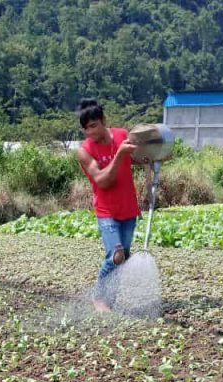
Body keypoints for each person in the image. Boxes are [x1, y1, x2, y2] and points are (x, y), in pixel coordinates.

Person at [75, 98, 145, 312]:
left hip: (128, 208)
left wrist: (150, 157)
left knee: (123, 259)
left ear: (103, 120)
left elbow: (134, 157)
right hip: (106, 210)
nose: (90, 132)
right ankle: (98, 296)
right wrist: (120, 155)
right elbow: (103, 181)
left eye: (94, 126)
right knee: (116, 255)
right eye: (86, 129)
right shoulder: (84, 151)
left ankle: (109, 300)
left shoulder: (122, 135)